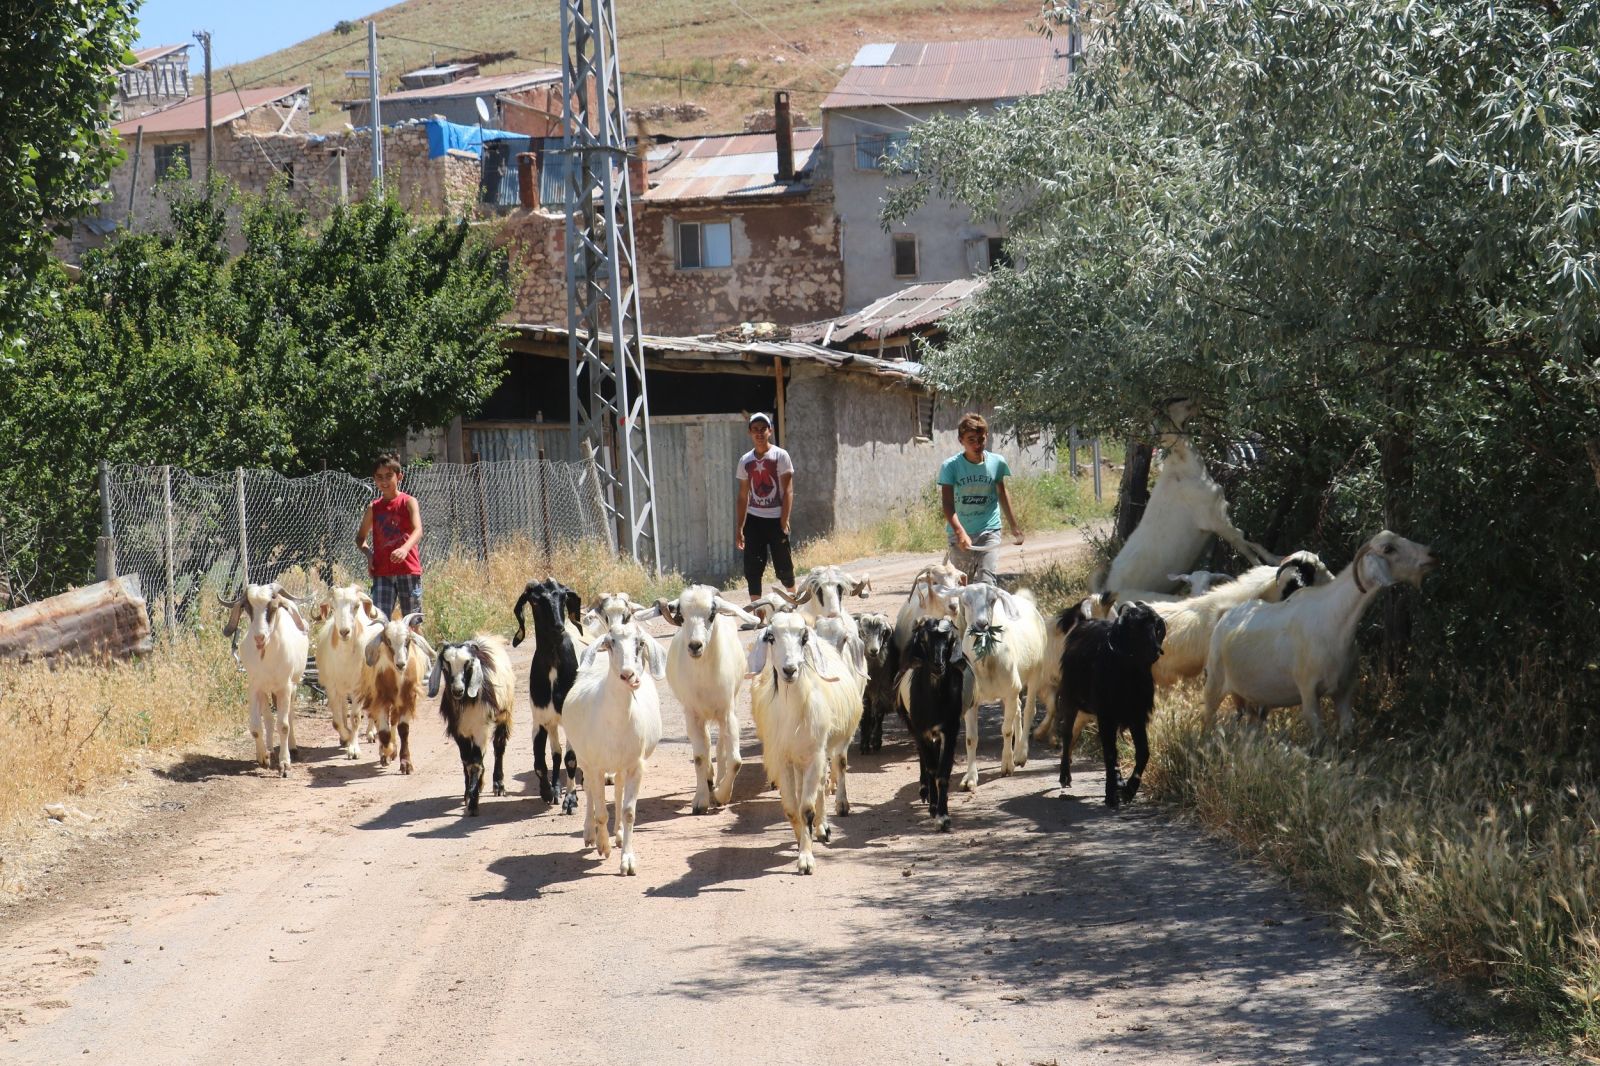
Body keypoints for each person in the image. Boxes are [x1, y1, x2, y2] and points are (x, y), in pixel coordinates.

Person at [938, 413, 1023, 585]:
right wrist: (960, 532)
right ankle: (963, 613)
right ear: (960, 440)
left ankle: (988, 612)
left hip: (989, 529)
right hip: (961, 532)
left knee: (987, 582)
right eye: (971, 440)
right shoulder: (951, 466)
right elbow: (947, 504)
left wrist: (1014, 525)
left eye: (981, 439)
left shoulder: (997, 462)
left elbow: (1002, 493)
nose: (977, 444)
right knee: (962, 584)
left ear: (987, 437)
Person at [734, 412, 797, 603]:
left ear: (770, 431)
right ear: (749, 433)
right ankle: (757, 612)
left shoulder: (780, 456)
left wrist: (784, 520)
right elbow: (743, 495)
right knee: (753, 568)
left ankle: (794, 602)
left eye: (763, 429)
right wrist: (740, 527)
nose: (759, 433)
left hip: (776, 518)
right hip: (754, 520)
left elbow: (788, 491)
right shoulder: (745, 461)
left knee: (784, 567)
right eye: (755, 429)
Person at [357, 452, 424, 621]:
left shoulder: (408, 502)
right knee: (379, 621)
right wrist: (369, 556)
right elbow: (360, 538)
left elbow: (418, 530)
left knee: (413, 623)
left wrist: (404, 549)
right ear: (374, 479)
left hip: (408, 570)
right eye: (379, 477)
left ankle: (419, 648)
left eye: (389, 476)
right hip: (382, 574)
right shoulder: (374, 507)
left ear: (399, 476)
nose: (384, 482)